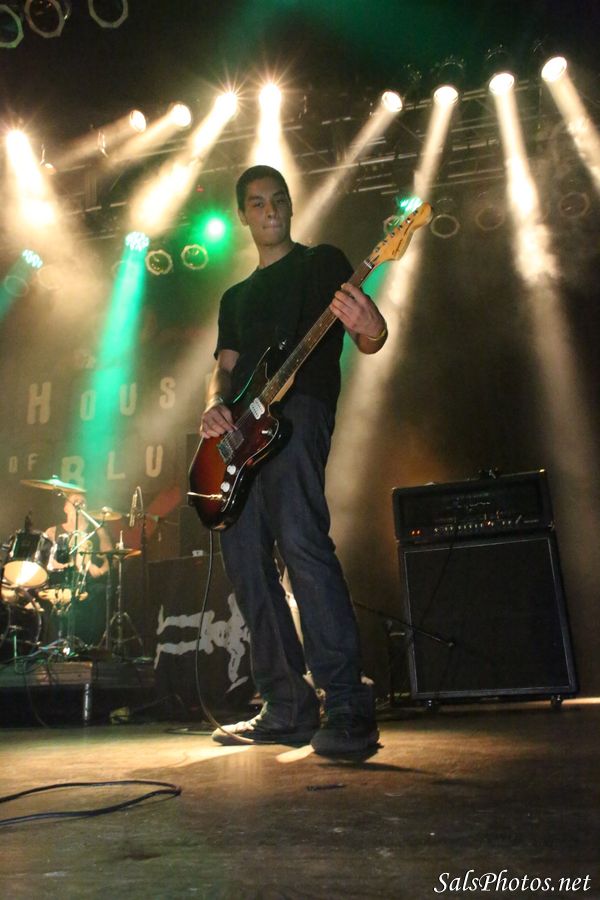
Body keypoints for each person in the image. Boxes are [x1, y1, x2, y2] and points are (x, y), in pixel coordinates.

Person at [199, 165, 388, 755]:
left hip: (301, 409)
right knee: (244, 560)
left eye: (278, 199)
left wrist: (374, 327)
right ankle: (286, 705)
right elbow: (225, 369)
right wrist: (213, 406)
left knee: (302, 540)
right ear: (243, 215)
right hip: (241, 434)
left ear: (290, 204)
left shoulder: (322, 262)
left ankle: (348, 704)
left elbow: (368, 336)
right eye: (257, 203)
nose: (270, 210)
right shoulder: (235, 297)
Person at [45, 492, 113, 648]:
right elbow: (45, 561)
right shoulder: (52, 531)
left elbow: (111, 558)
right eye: (75, 501)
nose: (79, 504)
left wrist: (101, 571)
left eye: (83, 502)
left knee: (99, 593)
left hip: (87, 584)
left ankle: (87, 646)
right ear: (66, 507)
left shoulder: (98, 531)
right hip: (60, 581)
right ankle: (54, 644)